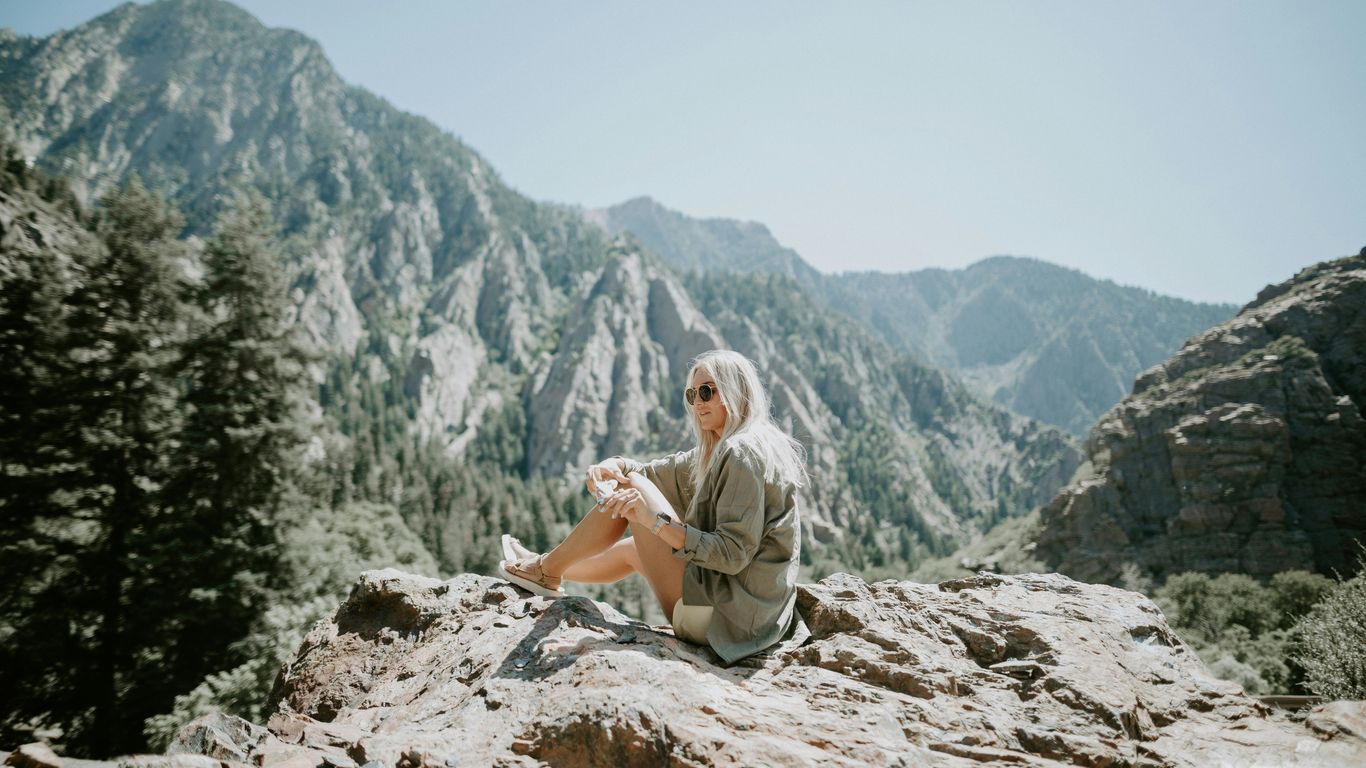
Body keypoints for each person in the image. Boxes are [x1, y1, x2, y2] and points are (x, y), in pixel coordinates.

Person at [499, 349, 806, 663]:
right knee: (632, 548)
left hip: (726, 625)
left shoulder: (741, 453)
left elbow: (732, 554)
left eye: (706, 391)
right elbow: (653, 473)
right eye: (692, 394)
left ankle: (544, 571)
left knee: (632, 491)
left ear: (736, 391)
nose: (697, 402)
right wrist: (614, 465)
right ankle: (546, 566)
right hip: (752, 618)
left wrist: (656, 523)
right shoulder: (731, 446)